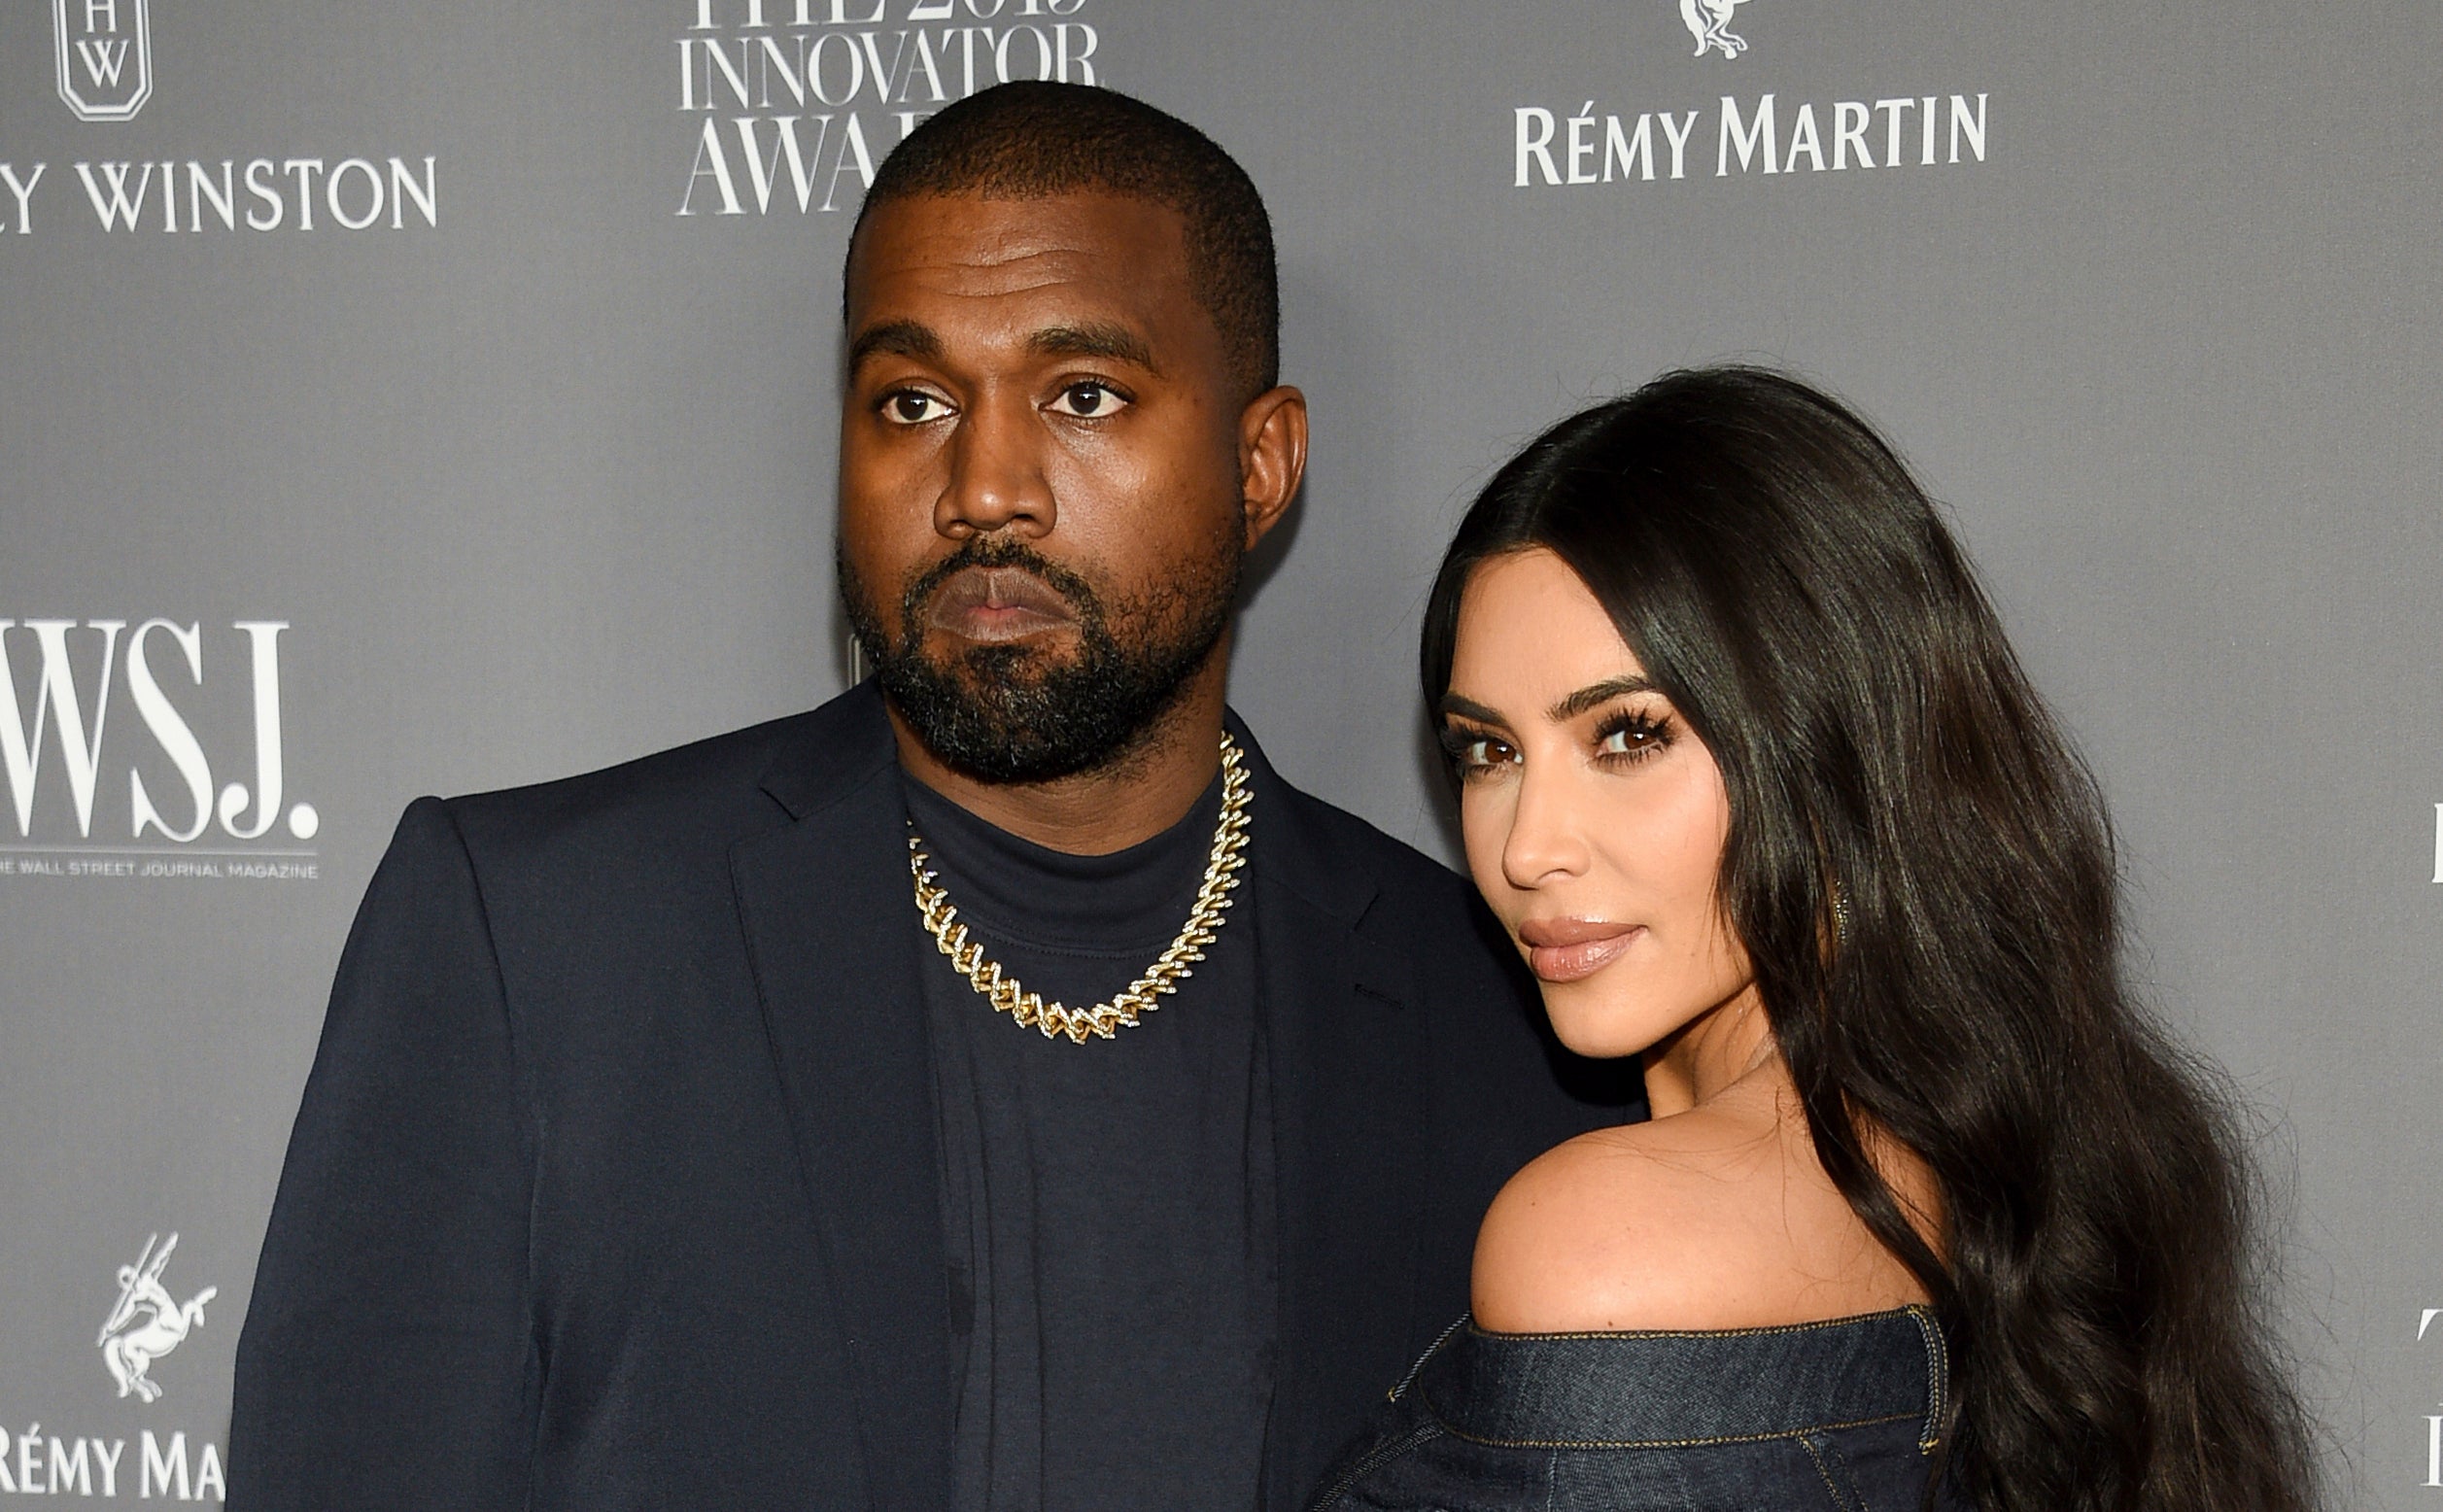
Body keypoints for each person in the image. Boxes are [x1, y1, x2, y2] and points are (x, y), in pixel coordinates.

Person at [226, 83, 1630, 1512]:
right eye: (913, 401)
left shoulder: (1491, 1018)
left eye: (1082, 397)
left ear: (1258, 467)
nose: (982, 488)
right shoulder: (534, 943)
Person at [1314, 367, 2322, 1512]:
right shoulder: (2000, 1171)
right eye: (1487, 751)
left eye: (1629, 736)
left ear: (1829, 743)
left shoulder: (1601, 1242)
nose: (1527, 845)